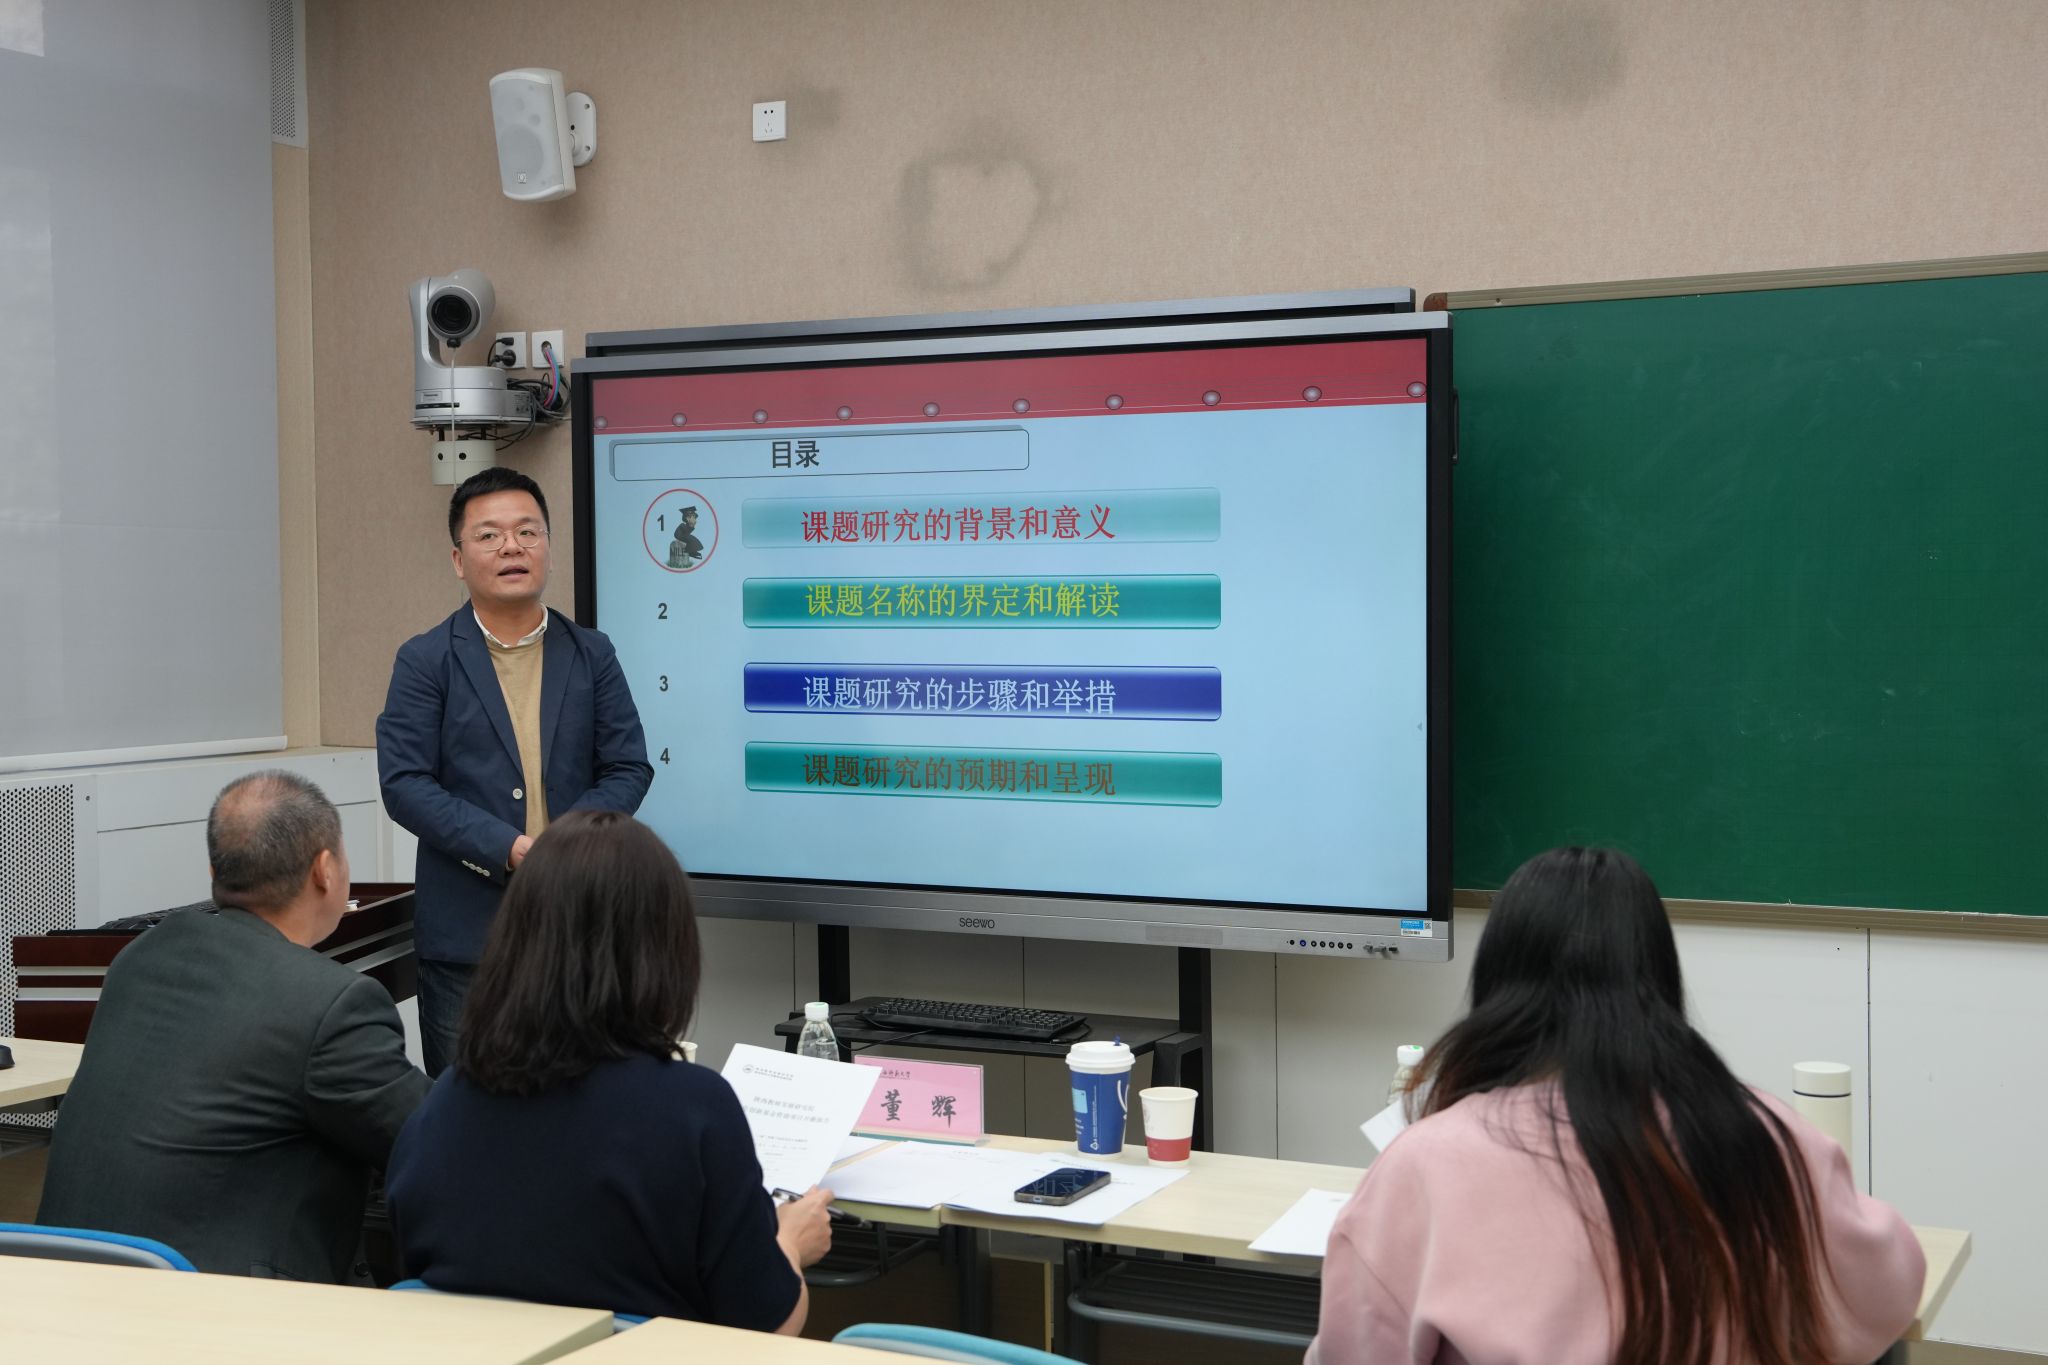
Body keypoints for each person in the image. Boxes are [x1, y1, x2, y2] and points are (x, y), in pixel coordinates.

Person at [1308, 847, 1925, 1365]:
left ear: (1499, 978)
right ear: (1656, 973)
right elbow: (1892, 1288)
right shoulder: (1760, 1128)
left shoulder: (1425, 1163)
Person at [384, 809, 833, 1331]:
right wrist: (789, 1242)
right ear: (665, 949)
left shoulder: (443, 1104)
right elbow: (768, 1329)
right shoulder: (694, 1108)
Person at [37, 771, 429, 1281]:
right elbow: (436, 1142)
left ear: (214, 870)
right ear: (325, 870)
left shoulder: (140, 958)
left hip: (65, 1285)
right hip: (214, 1305)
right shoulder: (331, 1003)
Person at [377, 467, 653, 1075]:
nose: (512, 547)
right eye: (490, 535)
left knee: (588, 1095)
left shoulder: (592, 653)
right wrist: (508, 847)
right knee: (468, 1103)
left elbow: (628, 766)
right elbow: (405, 785)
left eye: (528, 532)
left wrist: (565, 845)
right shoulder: (425, 660)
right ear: (459, 559)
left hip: (582, 922)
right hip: (468, 936)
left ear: (548, 547)